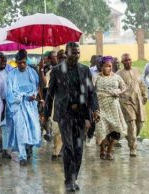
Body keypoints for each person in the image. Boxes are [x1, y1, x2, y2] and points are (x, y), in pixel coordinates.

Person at [44, 42, 100, 192]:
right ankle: (69, 180)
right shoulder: (56, 71)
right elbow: (49, 95)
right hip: (64, 114)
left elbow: (91, 92)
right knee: (68, 147)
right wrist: (45, 115)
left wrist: (95, 109)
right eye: (73, 53)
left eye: (78, 53)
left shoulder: (85, 70)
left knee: (79, 149)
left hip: (81, 114)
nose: (76, 55)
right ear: (67, 53)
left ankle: (74, 177)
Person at [6, 49, 41, 166]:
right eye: (19, 62)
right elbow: (9, 92)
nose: (22, 65)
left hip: (31, 106)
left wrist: (34, 95)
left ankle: (29, 147)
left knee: (32, 128)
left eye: (24, 62)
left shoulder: (32, 72)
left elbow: (37, 87)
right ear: (16, 62)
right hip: (18, 106)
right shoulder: (11, 74)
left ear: (27, 61)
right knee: (21, 130)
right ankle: (22, 156)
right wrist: (19, 98)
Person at [94, 56, 127, 160]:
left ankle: (109, 151)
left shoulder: (116, 77)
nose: (109, 68)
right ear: (102, 67)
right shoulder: (96, 77)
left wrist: (117, 92)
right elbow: (90, 90)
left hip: (114, 107)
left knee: (115, 130)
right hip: (101, 107)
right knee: (101, 128)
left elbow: (124, 87)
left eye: (110, 66)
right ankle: (102, 149)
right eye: (107, 66)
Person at [117, 53, 148, 156]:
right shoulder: (118, 74)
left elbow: (142, 84)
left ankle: (130, 136)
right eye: (125, 60)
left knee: (139, 123)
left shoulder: (137, 71)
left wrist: (145, 95)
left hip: (138, 100)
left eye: (129, 60)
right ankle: (133, 148)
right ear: (122, 62)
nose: (128, 62)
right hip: (125, 101)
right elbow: (116, 88)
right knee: (131, 123)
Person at [0, 52, 13, 159]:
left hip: (8, 102)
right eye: (1, 61)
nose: (4, 63)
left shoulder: (10, 70)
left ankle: (5, 149)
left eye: (5, 61)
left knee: (6, 127)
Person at [38, 51, 58, 142]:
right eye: (54, 57)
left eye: (57, 56)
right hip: (47, 95)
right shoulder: (46, 68)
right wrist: (41, 98)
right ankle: (48, 132)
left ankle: (50, 132)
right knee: (45, 115)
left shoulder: (63, 68)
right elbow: (42, 84)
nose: (56, 58)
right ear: (50, 59)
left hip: (57, 95)